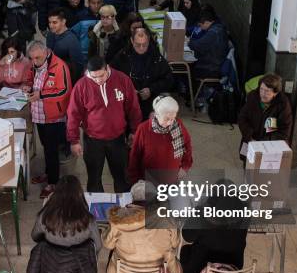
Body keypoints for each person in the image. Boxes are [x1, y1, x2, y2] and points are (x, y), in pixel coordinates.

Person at [24, 177, 99, 273]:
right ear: (79, 195)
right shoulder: (88, 220)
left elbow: (35, 237)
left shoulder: (44, 217)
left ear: (56, 194)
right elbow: (97, 247)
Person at [67, 56, 142, 193]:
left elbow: (133, 107)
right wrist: (74, 141)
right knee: (94, 179)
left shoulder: (122, 80)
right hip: (92, 140)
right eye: (94, 77)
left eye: (101, 75)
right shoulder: (81, 86)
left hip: (118, 138)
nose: (98, 80)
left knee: (122, 177)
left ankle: (124, 208)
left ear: (107, 68)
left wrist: (134, 131)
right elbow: (73, 114)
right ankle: (97, 210)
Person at [102, 180, 182, 273]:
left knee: (114, 249)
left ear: (133, 199)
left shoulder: (118, 221)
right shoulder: (167, 219)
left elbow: (107, 244)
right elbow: (175, 243)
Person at [180, 179, 249, 273]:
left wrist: (197, 211)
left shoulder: (203, 214)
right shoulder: (244, 214)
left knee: (185, 250)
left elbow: (187, 236)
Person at [27, 41, 72, 198]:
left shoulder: (60, 66)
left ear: (46, 53)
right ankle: (48, 173)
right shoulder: (35, 65)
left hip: (53, 117)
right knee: (46, 147)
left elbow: (65, 91)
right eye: (31, 58)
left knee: (52, 150)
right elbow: (37, 83)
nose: (34, 62)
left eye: (37, 58)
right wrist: (30, 88)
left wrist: (41, 95)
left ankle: (53, 183)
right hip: (39, 115)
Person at [111, 27, 175, 119]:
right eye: (137, 45)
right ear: (132, 41)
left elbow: (169, 80)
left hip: (150, 99)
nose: (141, 48)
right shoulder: (122, 56)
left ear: (149, 41)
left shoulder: (156, 57)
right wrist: (127, 89)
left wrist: (151, 89)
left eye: (144, 45)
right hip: (126, 99)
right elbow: (111, 77)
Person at [129, 96, 192, 184]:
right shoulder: (143, 129)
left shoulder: (178, 125)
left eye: (173, 118)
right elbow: (134, 156)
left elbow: (187, 145)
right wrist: (135, 181)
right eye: (166, 119)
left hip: (173, 179)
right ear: (157, 115)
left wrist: (185, 167)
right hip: (149, 180)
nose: (170, 122)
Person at [238, 73, 293, 161]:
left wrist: (263, 143)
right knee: (247, 163)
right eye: (261, 89)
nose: (263, 94)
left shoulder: (283, 105)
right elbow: (242, 118)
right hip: (250, 140)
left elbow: (284, 131)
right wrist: (250, 136)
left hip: (269, 147)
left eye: (267, 91)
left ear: (276, 93)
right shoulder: (252, 96)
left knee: (265, 170)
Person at [187, 5, 229, 78]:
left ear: (206, 22)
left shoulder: (213, 33)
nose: (201, 28)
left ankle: (191, 87)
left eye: (200, 25)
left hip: (212, 67)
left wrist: (189, 41)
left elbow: (198, 45)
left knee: (189, 70)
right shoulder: (218, 26)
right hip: (215, 62)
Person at [45, 8, 84, 84]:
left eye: (54, 22)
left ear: (63, 21)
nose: (51, 25)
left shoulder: (72, 39)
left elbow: (78, 65)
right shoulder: (50, 34)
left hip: (67, 79)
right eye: (49, 22)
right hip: (52, 76)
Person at [70, 0, 103, 65]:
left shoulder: (106, 15)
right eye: (93, 3)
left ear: (102, 2)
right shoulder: (80, 16)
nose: (96, 6)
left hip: (102, 54)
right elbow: (72, 36)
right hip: (84, 55)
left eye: (98, 2)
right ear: (88, 3)